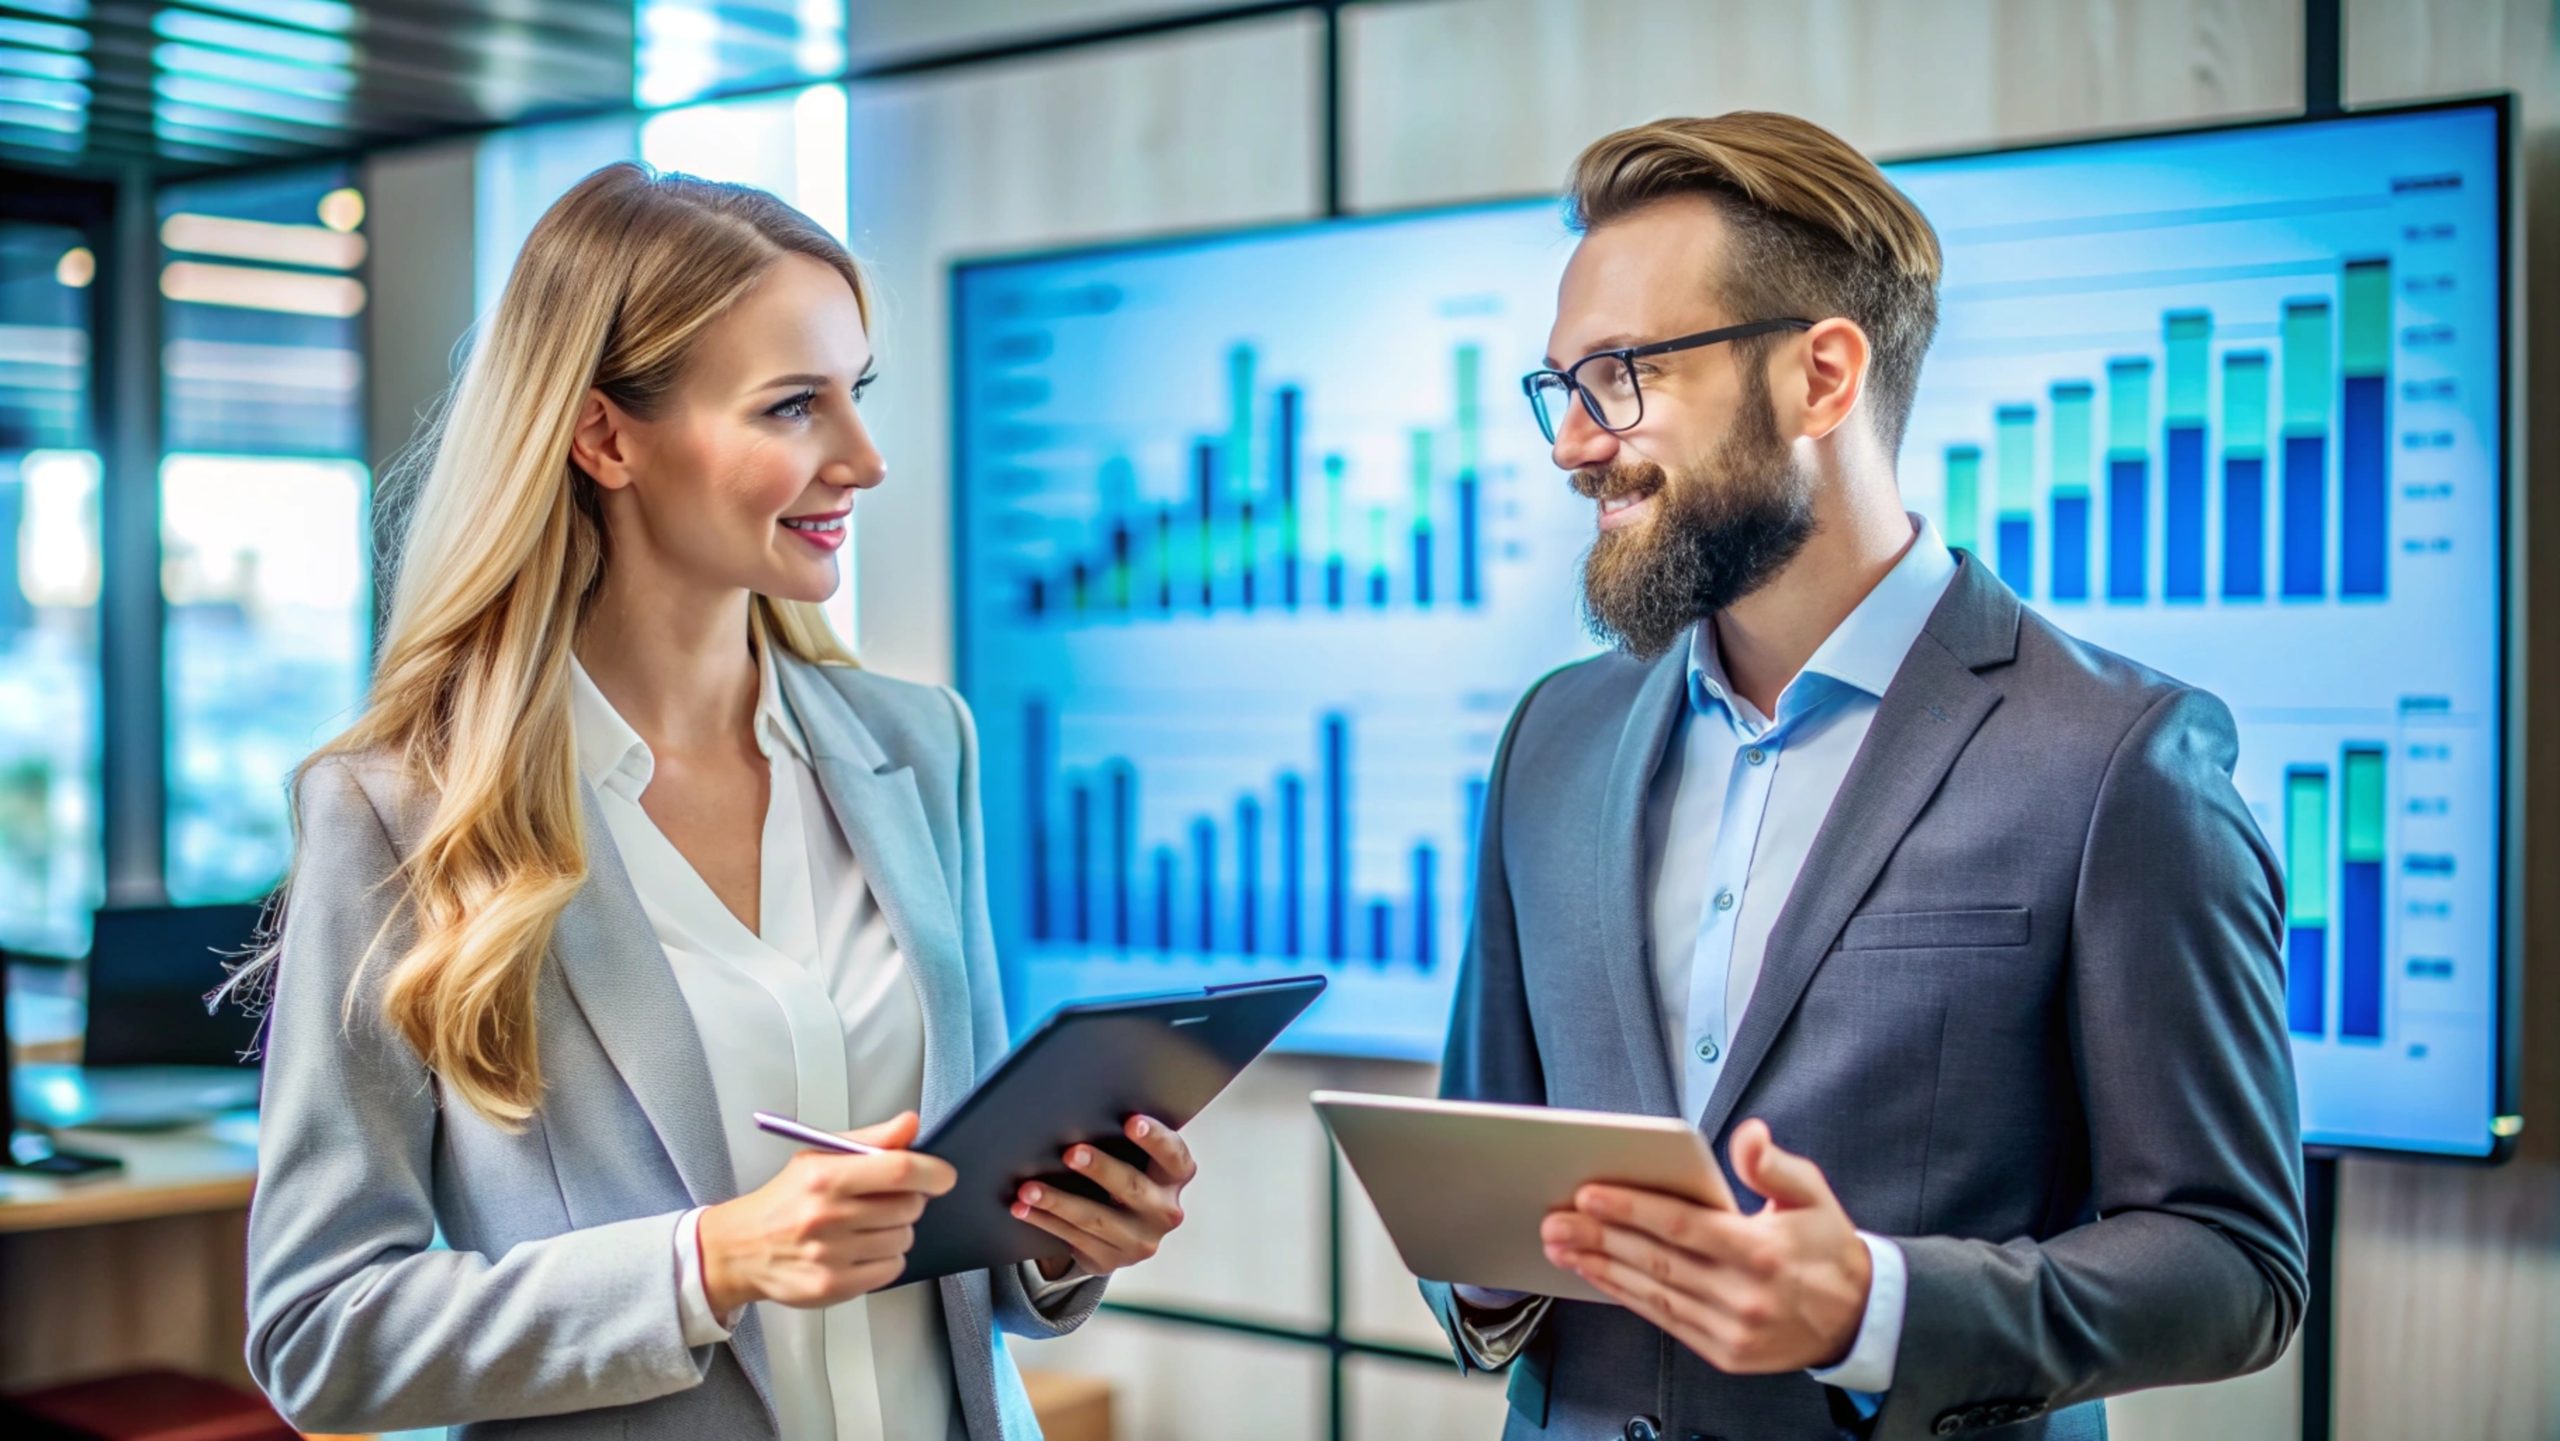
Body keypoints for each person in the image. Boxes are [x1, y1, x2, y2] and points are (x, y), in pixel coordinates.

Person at [234, 163, 1196, 1440]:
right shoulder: (402, 812)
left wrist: (1067, 1241)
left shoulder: (920, 748)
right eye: (794, 406)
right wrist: (704, 1264)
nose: (863, 458)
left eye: (857, 394)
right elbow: (319, 1336)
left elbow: (970, 1258)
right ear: (605, 437)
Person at [1424, 112, 2307, 1441]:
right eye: (1562, 387)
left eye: (1621, 376)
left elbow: (2233, 1265)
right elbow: (1482, 1173)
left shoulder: (2121, 758)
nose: (1573, 444)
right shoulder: (1557, 735)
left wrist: (1875, 1308)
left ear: (1822, 375)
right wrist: (1484, 1277)